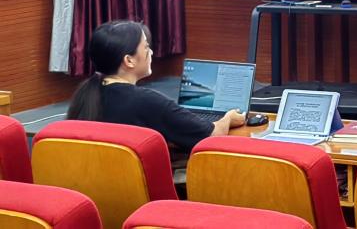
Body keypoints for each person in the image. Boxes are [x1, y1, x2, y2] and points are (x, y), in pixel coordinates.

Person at [67, 20, 244, 153]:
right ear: (129, 60)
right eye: (146, 47)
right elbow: (211, 136)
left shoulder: (85, 95)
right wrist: (228, 118)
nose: (151, 52)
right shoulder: (147, 101)